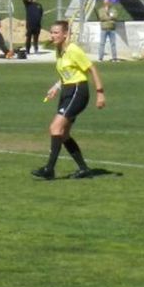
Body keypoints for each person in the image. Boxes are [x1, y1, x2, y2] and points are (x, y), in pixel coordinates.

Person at [32, 19, 106, 180]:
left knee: (55, 128)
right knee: (63, 134)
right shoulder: (59, 50)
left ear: (66, 34)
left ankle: (49, 169)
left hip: (78, 91)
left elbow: (91, 68)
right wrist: (56, 87)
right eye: (52, 32)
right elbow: (67, 72)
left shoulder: (73, 49)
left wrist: (100, 92)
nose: (53, 35)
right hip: (67, 91)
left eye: (56, 32)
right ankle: (84, 169)